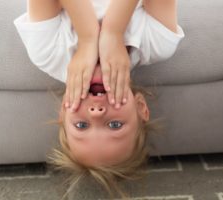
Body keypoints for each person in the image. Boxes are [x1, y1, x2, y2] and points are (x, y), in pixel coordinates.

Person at [14, 0, 184, 197]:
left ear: (63, 111)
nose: (96, 114)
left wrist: (87, 38)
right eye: (114, 125)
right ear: (140, 108)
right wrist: (113, 32)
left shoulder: (48, 52)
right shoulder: (157, 43)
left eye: (81, 126)